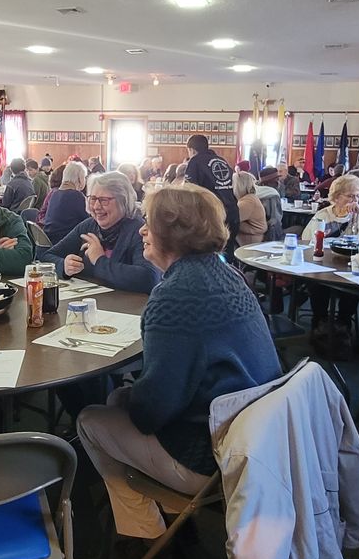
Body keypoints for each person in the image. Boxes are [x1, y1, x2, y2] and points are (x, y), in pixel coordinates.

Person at [76, 185, 281, 539]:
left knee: (90, 419)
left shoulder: (174, 297)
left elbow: (152, 411)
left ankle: (143, 531)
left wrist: (129, 398)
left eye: (149, 223)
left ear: (172, 233)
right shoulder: (226, 273)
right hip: (257, 441)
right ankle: (168, 509)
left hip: (210, 457)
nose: (141, 230)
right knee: (115, 400)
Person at [41, 171, 159, 293]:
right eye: (93, 199)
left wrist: (99, 260)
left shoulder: (138, 230)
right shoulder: (89, 226)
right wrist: (63, 266)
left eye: (104, 200)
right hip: (91, 303)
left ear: (123, 201)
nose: (96, 206)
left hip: (127, 308)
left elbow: (149, 278)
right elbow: (46, 257)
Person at [302, 174, 359, 354]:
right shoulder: (323, 214)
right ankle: (319, 322)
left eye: (358, 196)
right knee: (316, 282)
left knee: (351, 286)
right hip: (324, 265)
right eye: (350, 196)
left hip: (350, 265)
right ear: (337, 197)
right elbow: (308, 239)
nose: (355, 200)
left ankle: (344, 325)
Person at [41, 160, 91, 244]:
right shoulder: (77, 196)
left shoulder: (54, 194)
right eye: (85, 177)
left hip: (50, 240)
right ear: (79, 178)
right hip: (65, 243)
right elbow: (89, 222)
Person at [234, 171, 268, 246]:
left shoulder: (248, 201)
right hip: (250, 240)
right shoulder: (250, 198)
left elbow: (232, 218)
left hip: (249, 244)